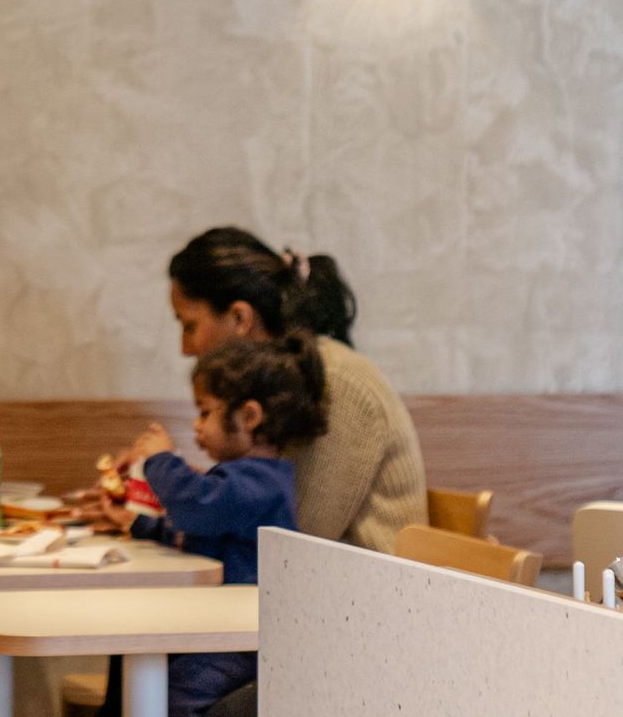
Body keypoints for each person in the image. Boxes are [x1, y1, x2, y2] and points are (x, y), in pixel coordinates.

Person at [85, 330, 327, 717]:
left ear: (249, 416)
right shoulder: (240, 479)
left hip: (250, 637)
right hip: (225, 625)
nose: (197, 426)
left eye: (205, 412)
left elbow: (197, 507)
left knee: (178, 691)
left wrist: (160, 460)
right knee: (140, 662)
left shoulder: (259, 481)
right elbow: (199, 533)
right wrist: (135, 523)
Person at [165, 227, 427, 552]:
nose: (184, 348)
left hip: (363, 583)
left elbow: (291, 545)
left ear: (239, 317)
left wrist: (174, 495)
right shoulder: (278, 381)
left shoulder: (334, 380)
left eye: (189, 326)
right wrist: (159, 494)